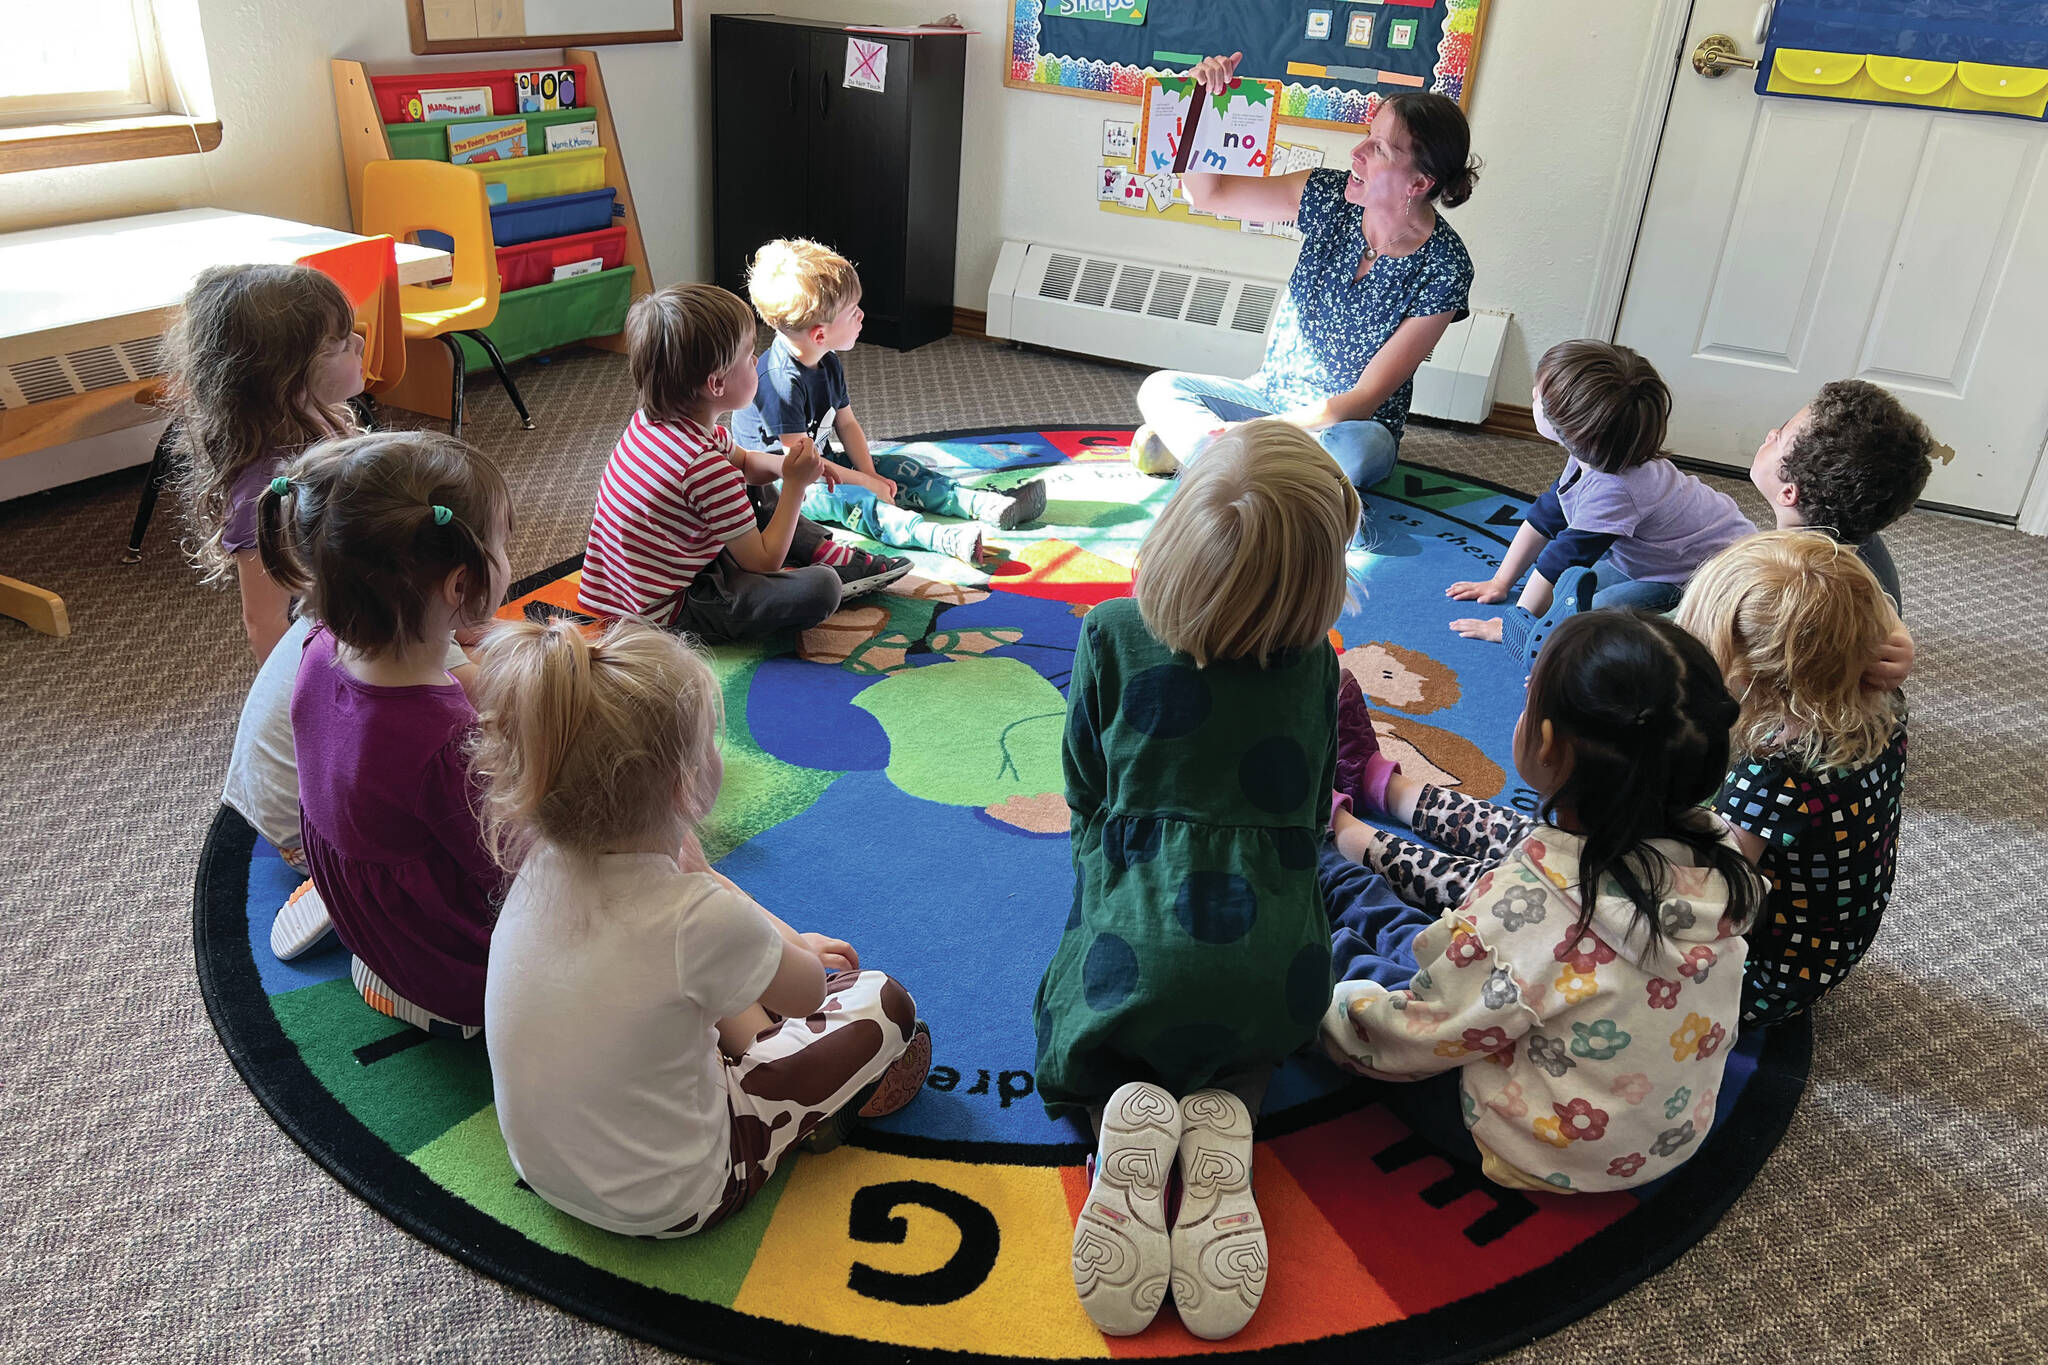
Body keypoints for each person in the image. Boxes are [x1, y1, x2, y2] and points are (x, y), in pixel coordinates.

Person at [1035, 420, 1358, 1341]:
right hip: (1270, 963)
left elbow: (1085, 792)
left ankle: (1116, 1117)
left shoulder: (1108, 630)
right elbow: (1305, 815)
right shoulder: (1318, 668)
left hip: (1132, 955)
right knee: (1257, 1027)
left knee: (1086, 1008)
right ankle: (1231, 1114)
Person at [473, 616, 931, 1238]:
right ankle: (793, 1121)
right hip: (678, 1197)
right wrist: (745, 906)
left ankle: (739, 1047)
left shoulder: (539, 868)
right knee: (885, 1002)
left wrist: (720, 897)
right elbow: (808, 993)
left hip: (547, 1171)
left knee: (680, 993)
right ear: (683, 784)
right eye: (710, 743)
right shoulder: (696, 915)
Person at [1320, 610, 1761, 1193]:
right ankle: (1380, 797)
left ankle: (1328, 850)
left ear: (1547, 742)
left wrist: (1327, 1004)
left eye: (1531, 699)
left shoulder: (1534, 907)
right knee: (1512, 858)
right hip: (1663, 1132)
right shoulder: (1718, 854)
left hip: (1539, 1149)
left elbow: (1415, 1037)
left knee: (1392, 958)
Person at [1129, 54, 1478, 510]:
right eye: (1367, 136)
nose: (1357, 152)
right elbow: (1209, 194)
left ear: (1419, 182)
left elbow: (1364, 399)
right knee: (1161, 388)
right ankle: (1253, 469)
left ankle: (1208, 456)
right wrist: (1200, 106)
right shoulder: (1326, 194)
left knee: (1357, 454)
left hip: (1348, 428)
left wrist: (1248, 433)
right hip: (1270, 397)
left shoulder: (1446, 265)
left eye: (1380, 149)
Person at [256, 431, 512, 1035]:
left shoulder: (322, 646)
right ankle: (429, 1000)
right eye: (505, 544)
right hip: (455, 974)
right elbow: (514, 874)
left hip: (365, 899)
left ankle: (372, 939)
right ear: (459, 585)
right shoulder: (440, 740)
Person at [577, 284, 910, 642]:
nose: (757, 361)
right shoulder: (703, 467)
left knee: (757, 479)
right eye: (749, 355)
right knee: (823, 587)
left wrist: (788, 468)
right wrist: (796, 486)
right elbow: (764, 562)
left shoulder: (658, 423)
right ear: (717, 384)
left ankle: (816, 547)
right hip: (672, 607)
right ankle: (818, 564)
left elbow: (746, 461)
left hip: (637, 581)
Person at [1675, 532, 1909, 1026]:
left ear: (1742, 671)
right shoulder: (1885, 707)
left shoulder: (1770, 783)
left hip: (1763, 979)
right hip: (1834, 939)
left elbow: (1708, 902)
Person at [734, 238, 1047, 566]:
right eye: (852, 312)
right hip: (787, 486)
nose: (862, 316)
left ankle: (982, 504)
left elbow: (847, 423)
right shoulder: (779, 382)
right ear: (820, 335)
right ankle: (936, 537)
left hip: (824, 462)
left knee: (898, 468)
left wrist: (872, 475)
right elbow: (799, 468)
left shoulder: (826, 360)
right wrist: (866, 485)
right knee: (857, 500)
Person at [1446, 340, 1753, 645]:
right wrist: (1500, 582)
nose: (1533, 394)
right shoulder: (1595, 453)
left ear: (1573, 427)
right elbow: (1545, 518)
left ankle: (1691, 622)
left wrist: (1515, 626)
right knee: (1572, 587)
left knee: (1589, 615)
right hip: (1664, 557)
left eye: (1539, 396)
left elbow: (1560, 560)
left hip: (1700, 576)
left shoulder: (1614, 490)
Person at [165, 263, 365, 663]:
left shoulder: (328, 418)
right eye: (339, 344)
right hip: (334, 648)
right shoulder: (265, 491)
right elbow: (264, 622)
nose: (359, 343)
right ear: (284, 375)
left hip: (362, 606)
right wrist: (300, 705)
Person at [1748, 379, 1935, 609]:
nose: (1771, 433)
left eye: (1778, 439)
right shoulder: (1863, 545)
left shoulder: (1789, 583)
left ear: (1788, 493)